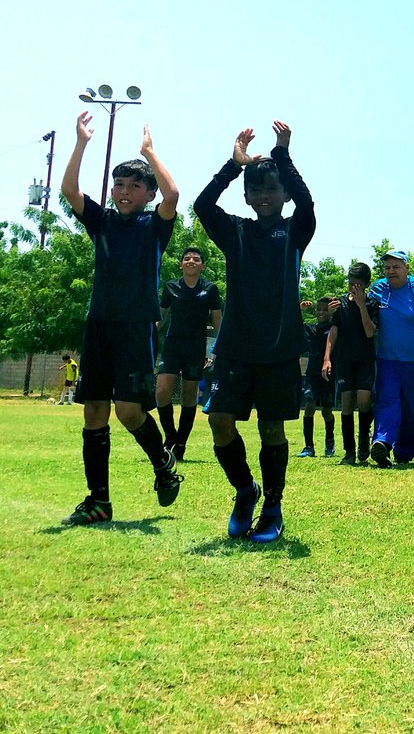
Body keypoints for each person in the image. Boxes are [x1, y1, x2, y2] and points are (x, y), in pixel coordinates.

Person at [60, 112, 183, 525]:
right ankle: (99, 501)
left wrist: (149, 153)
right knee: (94, 411)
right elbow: (69, 189)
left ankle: (163, 463)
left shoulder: (154, 226)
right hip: (99, 326)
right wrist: (81, 143)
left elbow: (174, 195)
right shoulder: (103, 222)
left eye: (134, 186)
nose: (124, 191)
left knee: (129, 413)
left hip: (136, 328)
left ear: (147, 194)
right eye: (119, 184)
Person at [195, 121, 315, 543]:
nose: (264, 197)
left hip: (279, 349)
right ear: (247, 196)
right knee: (220, 421)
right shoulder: (236, 232)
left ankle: (273, 505)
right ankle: (246, 491)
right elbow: (202, 205)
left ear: (282, 195)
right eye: (257, 190)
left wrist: (282, 155)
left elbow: (308, 203)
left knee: (271, 429)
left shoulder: (295, 232)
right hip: (235, 349)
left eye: (271, 190)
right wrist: (233, 165)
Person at [368, 249, 414, 466]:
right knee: (387, 401)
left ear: (407, 268)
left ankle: (404, 452)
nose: (391, 272)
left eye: (396, 267)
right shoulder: (378, 289)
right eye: (387, 268)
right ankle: (382, 442)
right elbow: (364, 312)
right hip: (387, 360)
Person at [155, 247, 223, 461]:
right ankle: (170, 436)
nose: (191, 261)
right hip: (172, 345)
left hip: (195, 347)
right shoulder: (171, 287)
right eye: (187, 259)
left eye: (196, 259)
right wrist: (144, 334)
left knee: (189, 394)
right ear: (181, 264)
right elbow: (160, 317)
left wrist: (217, 349)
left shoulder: (210, 289)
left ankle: (181, 442)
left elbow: (218, 320)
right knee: (162, 391)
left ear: (202, 265)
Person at [323, 262, 379, 466]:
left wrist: (362, 305)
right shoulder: (340, 305)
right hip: (345, 360)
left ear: (365, 285)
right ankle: (349, 451)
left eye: (358, 284)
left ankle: (364, 437)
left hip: (365, 359)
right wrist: (326, 358)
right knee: (346, 403)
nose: (353, 287)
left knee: (363, 401)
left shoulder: (372, 304)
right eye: (351, 283)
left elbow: (370, 332)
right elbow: (333, 332)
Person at [299, 297, 337, 457]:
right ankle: (308, 446)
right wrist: (299, 310)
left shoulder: (334, 328)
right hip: (312, 374)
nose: (321, 312)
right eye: (318, 309)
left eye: (325, 309)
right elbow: (292, 327)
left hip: (328, 374)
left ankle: (330, 443)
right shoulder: (310, 329)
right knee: (309, 407)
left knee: (327, 410)